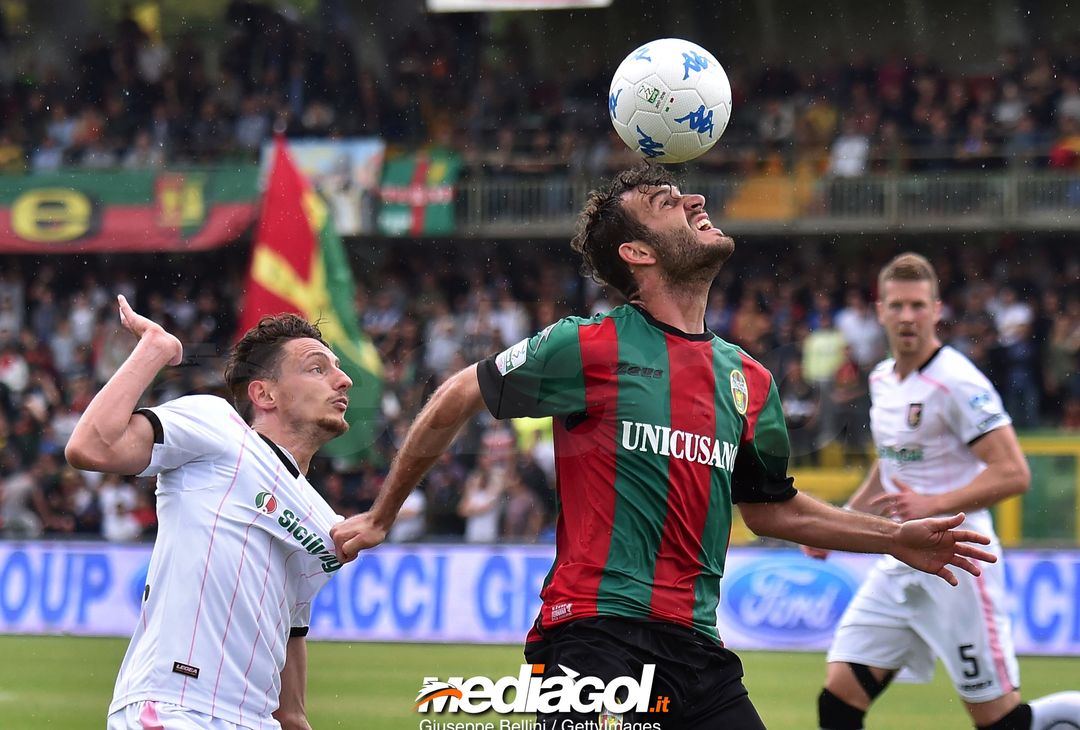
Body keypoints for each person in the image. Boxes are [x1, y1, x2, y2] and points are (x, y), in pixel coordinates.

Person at [331, 163, 996, 728]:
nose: (695, 200)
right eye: (667, 204)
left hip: (698, 651)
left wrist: (892, 537)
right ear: (638, 253)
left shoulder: (750, 381)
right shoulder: (585, 345)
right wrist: (384, 514)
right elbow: (457, 396)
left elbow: (771, 511)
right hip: (590, 638)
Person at [806, 253, 1080, 730]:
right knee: (838, 702)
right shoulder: (881, 378)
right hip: (902, 559)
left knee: (998, 721)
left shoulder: (958, 381)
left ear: (936, 310)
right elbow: (888, 468)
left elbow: (1014, 472)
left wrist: (932, 505)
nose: (907, 317)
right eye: (897, 306)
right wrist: (840, 525)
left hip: (959, 558)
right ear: (880, 310)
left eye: (917, 305)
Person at [65, 296, 352, 730]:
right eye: (318, 368)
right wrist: (153, 350)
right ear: (265, 393)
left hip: (256, 721)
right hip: (176, 707)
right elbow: (91, 446)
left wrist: (294, 716)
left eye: (336, 368)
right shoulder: (220, 427)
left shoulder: (327, 523)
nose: (343, 379)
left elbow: (290, 624)